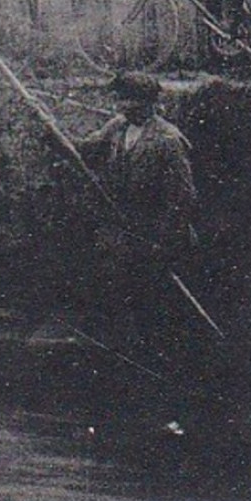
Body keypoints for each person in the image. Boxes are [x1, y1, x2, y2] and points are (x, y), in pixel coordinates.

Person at [71, 71, 202, 358]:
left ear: (146, 103)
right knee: (120, 296)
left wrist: (160, 240)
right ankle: (127, 357)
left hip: (158, 235)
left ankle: (161, 359)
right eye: (120, 99)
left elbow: (182, 198)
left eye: (127, 100)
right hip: (126, 232)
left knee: (153, 303)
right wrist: (56, 137)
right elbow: (87, 150)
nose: (121, 106)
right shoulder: (118, 127)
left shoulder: (167, 140)